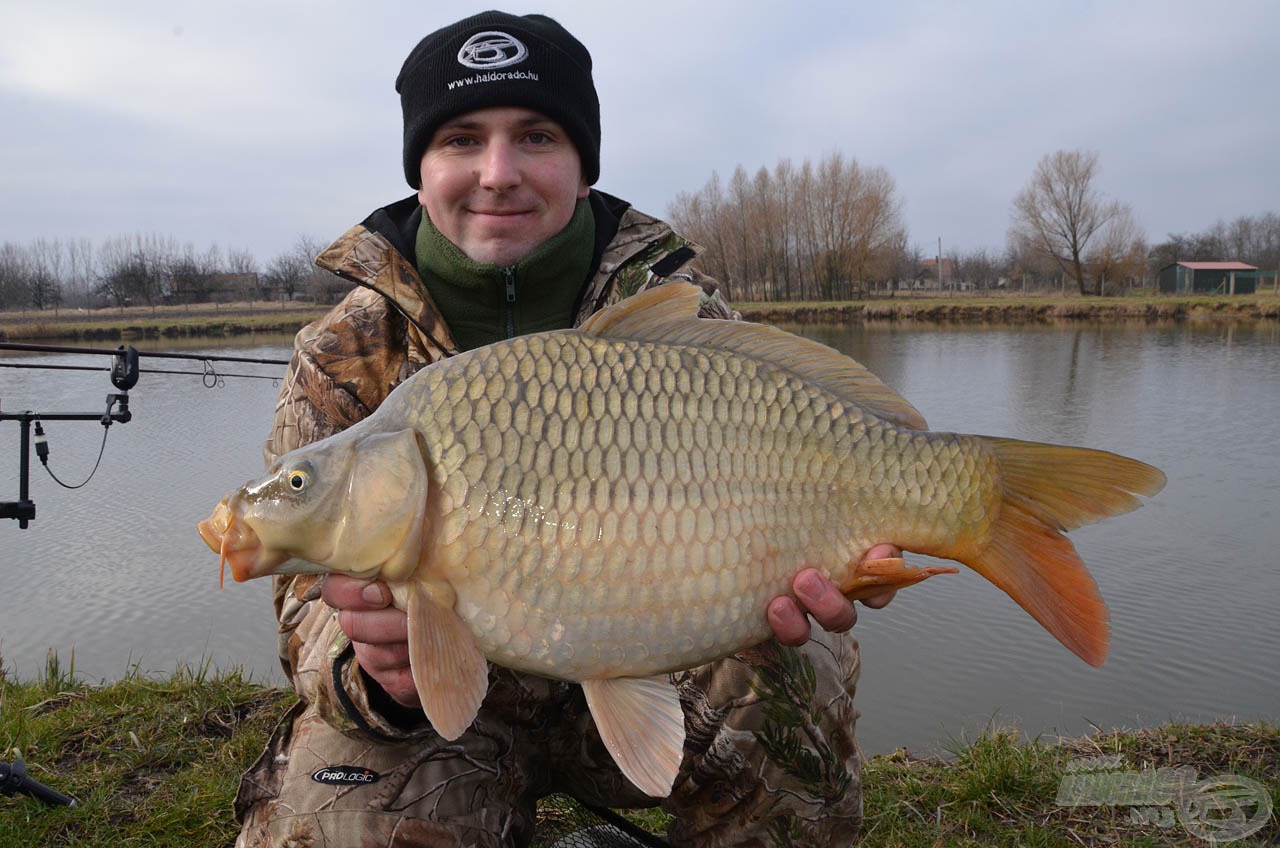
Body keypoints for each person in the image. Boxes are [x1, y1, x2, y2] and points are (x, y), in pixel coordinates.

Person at [236, 11, 897, 848]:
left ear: (583, 164)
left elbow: (806, 490)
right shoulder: (342, 352)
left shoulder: (681, 320)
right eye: (462, 140)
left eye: (537, 135)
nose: (498, 173)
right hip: (445, 715)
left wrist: (836, 567)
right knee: (331, 822)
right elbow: (300, 599)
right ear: (422, 169)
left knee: (792, 673)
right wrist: (365, 663)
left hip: (662, 658)